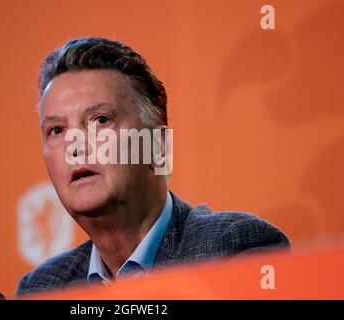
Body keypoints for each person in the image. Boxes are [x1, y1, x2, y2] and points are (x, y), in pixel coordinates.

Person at [16, 37, 290, 297]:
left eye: (100, 120)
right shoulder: (41, 288)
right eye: (56, 130)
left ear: (157, 146)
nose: (75, 147)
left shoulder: (232, 250)